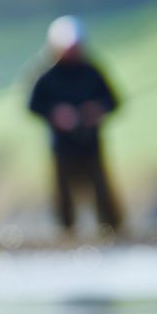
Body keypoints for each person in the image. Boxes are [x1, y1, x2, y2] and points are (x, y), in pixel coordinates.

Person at [28, 16, 122, 235]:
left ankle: (111, 229)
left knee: (100, 188)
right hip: (62, 145)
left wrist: (97, 110)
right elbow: (33, 106)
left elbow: (113, 101)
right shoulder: (46, 75)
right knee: (64, 193)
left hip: (90, 141)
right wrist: (56, 114)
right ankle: (66, 232)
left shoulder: (92, 71)